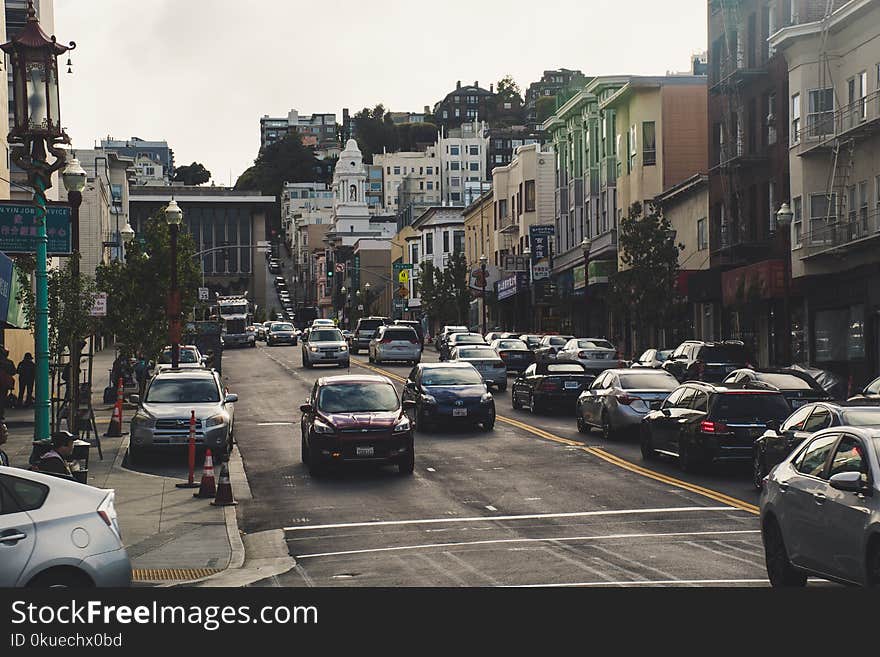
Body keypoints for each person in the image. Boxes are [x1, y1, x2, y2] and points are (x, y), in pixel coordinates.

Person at [0, 349, 16, 420]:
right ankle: (1, 414)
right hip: (4, 384)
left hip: (4, 383)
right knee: (2, 399)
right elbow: (13, 371)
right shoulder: (9, 362)